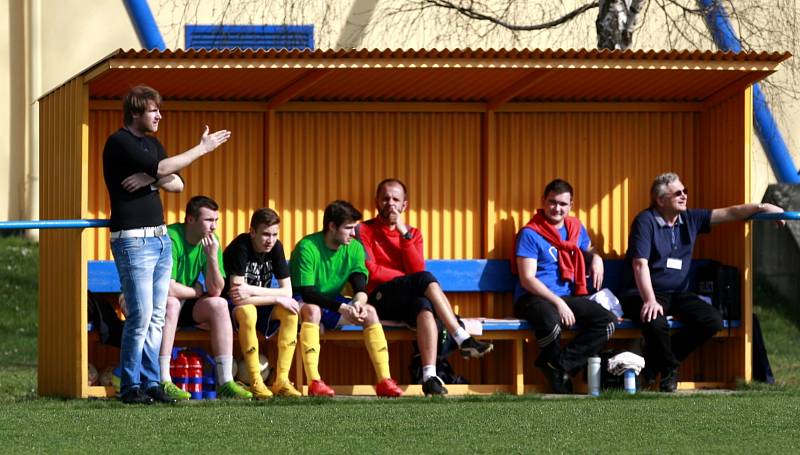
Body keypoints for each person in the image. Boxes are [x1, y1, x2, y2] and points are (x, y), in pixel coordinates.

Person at [102, 84, 231, 404]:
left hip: (159, 241)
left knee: (157, 315)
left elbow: (176, 183)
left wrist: (150, 177)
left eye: (159, 109)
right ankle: (130, 385)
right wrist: (200, 149)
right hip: (133, 241)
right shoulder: (119, 142)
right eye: (153, 110)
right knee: (141, 315)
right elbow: (165, 170)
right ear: (135, 113)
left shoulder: (152, 145)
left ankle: (150, 382)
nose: (159, 115)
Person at [621, 172, 784, 392]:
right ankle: (669, 370)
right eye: (677, 193)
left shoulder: (690, 218)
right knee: (655, 321)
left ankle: (656, 362)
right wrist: (649, 300)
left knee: (712, 320)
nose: (684, 196)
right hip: (642, 292)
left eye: (685, 191)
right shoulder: (645, 221)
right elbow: (639, 265)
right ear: (660, 200)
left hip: (678, 293)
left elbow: (732, 212)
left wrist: (765, 207)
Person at [357, 179, 494, 396]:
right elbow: (370, 270)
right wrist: (409, 279)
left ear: (404, 205)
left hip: (407, 300)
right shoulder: (363, 229)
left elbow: (417, 268)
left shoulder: (412, 233)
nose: (390, 204)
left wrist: (403, 234)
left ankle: (429, 376)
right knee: (424, 280)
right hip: (379, 299)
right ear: (376, 202)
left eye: (395, 199)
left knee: (423, 305)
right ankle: (461, 337)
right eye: (385, 198)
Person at [290, 200, 403, 398]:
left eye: (354, 228)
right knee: (313, 310)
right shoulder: (307, 247)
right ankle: (314, 382)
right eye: (349, 228)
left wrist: (357, 303)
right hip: (301, 300)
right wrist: (342, 307)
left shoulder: (355, 248)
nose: (353, 233)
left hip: (333, 301)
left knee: (370, 312)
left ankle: (384, 381)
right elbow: (307, 292)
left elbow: (359, 284)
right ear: (332, 226)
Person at [513, 179, 616, 394]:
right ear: (543, 201)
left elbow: (588, 248)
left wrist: (596, 258)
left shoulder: (575, 229)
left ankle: (557, 366)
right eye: (552, 202)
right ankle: (560, 377)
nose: (557, 208)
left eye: (562, 204)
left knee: (608, 322)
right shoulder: (530, 233)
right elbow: (527, 279)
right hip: (532, 298)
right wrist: (558, 303)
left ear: (571, 205)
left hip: (569, 296)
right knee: (551, 323)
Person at [157, 196, 251, 400]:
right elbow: (167, 289)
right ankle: (163, 379)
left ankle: (226, 381)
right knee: (172, 303)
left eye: (216, 220)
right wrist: (196, 292)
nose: (214, 226)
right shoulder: (171, 237)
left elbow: (216, 290)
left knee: (219, 304)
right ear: (191, 219)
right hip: (158, 305)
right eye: (209, 220)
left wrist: (211, 258)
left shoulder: (211, 242)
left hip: (185, 306)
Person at [223, 208, 302, 399]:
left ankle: (281, 381)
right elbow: (236, 296)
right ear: (252, 232)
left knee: (290, 312)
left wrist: (252, 290)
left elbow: (288, 292)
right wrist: (276, 297)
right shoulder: (240, 247)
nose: (270, 240)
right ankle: (256, 381)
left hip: (259, 302)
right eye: (265, 234)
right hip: (233, 306)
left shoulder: (276, 247)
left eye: (275, 234)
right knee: (248, 312)